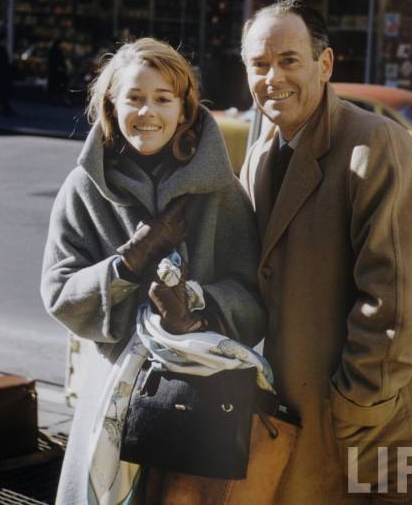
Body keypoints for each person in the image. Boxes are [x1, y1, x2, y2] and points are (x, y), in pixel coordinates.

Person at [240, 0, 412, 505]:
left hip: (384, 429)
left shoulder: (375, 143)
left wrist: (353, 408)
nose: (272, 77)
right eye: (259, 64)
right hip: (313, 421)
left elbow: (394, 304)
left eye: (289, 60)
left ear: (325, 64)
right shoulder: (260, 154)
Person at [41, 37, 265, 505]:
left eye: (163, 99)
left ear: (185, 110)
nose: (148, 112)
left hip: (202, 400)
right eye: (135, 98)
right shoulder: (84, 188)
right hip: (111, 392)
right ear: (111, 105)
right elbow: (60, 293)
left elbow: (255, 299)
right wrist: (128, 261)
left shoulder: (220, 192)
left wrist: (195, 310)